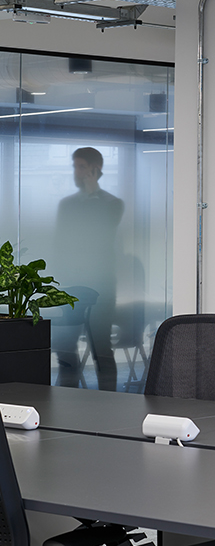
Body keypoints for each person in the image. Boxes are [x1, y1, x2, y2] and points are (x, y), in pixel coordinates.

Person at [54, 147, 125, 391]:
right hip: (71, 284)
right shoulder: (67, 204)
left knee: (101, 348)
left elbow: (104, 232)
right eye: (74, 166)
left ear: (95, 169)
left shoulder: (113, 204)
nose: (76, 171)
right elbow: (61, 241)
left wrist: (93, 191)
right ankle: (67, 398)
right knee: (65, 347)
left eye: (81, 166)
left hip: (101, 286)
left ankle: (110, 401)